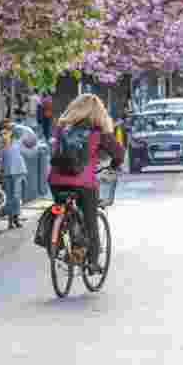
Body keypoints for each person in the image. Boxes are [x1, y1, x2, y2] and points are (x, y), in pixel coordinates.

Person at [48, 93, 124, 275]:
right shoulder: (98, 133)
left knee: (61, 207)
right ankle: (92, 262)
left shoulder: (61, 128)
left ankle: (60, 237)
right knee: (90, 222)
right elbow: (119, 154)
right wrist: (113, 165)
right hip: (84, 183)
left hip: (56, 181)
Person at [0, 121, 28, 229]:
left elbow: (22, 132)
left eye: (5, 133)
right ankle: (10, 221)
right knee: (10, 197)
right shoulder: (1, 148)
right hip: (7, 174)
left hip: (18, 173)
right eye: (1, 134)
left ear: (10, 133)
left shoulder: (17, 142)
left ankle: (16, 218)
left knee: (16, 196)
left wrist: (13, 125)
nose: (3, 136)